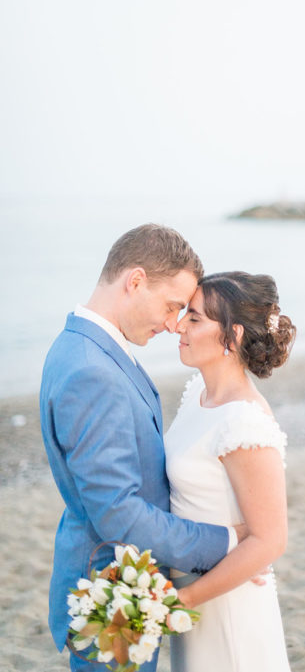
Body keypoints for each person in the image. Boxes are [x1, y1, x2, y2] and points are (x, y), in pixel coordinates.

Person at [39, 224, 246, 672]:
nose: (174, 323)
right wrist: (228, 542)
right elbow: (118, 512)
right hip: (111, 596)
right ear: (135, 281)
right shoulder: (92, 370)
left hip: (124, 581)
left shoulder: (85, 346)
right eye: (172, 305)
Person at [164, 271, 296, 672]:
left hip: (223, 603)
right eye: (184, 313)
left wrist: (181, 601)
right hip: (187, 590)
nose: (178, 326)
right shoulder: (197, 395)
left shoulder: (243, 421)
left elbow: (270, 540)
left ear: (232, 336)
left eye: (195, 318)